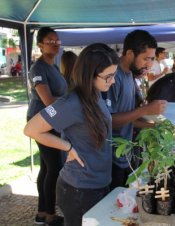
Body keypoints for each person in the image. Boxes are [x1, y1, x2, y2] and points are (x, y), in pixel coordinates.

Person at [24, 43, 119, 226]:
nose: (113, 81)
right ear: (89, 75)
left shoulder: (96, 93)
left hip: (98, 183)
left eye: (113, 75)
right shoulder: (72, 102)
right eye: (108, 77)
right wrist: (67, 146)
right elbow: (31, 129)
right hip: (79, 190)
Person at [105, 30, 167, 190]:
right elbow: (108, 121)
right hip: (109, 158)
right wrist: (145, 109)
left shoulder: (130, 76)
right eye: (146, 59)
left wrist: (153, 125)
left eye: (152, 59)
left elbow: (131, 117)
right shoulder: (112, 76)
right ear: (130, 53)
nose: (149, 64)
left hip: (125, 154)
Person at [26, 27, 67, 226]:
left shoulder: (54, 66)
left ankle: (42, 212)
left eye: (57, 40)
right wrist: (70, 103)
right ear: (40, 45)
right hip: (41, 122)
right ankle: (50, 214)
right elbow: (48, 101)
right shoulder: (38, 68)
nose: (55, 43)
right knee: (55, 167)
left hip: (53, 121)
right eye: (50, 41)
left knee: (46, 167)